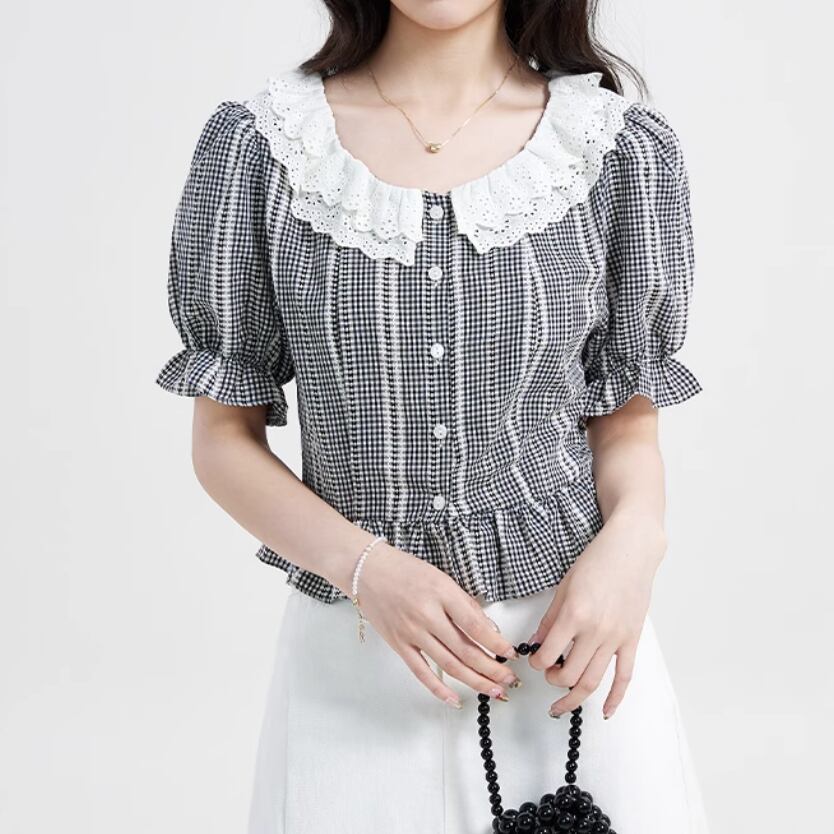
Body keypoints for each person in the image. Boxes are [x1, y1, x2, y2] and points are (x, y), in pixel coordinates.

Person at [154, 1, 712, 832]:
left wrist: (635, 542)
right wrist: (367, 571)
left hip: (570, 652)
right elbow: (222, 443)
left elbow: (626, 419)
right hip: (356, 664)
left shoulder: (614, 148)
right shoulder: (262, 149)